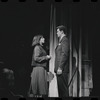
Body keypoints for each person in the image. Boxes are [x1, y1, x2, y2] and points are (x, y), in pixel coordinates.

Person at [54, 25, 69, 97]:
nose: (56, 33)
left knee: (63, 90)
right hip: (59, 69)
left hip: (62, 69)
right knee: (61, 91)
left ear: (62, 31)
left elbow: (64, 54)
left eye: (57, 31)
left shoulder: (65, 40)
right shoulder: (61, 41)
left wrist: (60, 67)